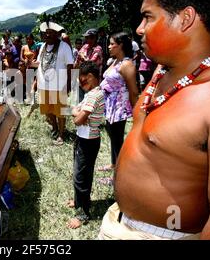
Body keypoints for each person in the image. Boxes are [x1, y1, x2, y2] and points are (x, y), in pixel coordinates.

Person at [99, 0, 210, 240]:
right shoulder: (163, 71)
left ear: (186, 18)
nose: (139, 29)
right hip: (118, 221)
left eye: (148, 17)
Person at [67, 61, 105, 229]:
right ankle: (77, 202)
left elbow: (77, 119)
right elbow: (76, 110)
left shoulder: (93, 96)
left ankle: (83, 214)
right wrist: (79, 113)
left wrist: (78, 114)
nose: (80, 84)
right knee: (79, 172)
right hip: (84, 138)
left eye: (81, 79)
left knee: (81, 177)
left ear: (90, 77)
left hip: (88, 141)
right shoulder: (93, 93)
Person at [98, 32, 138, 173]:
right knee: (112, 136)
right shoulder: (114, 61)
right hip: (110, 105)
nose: (108, 47)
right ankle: (114, 164)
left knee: (117, 139)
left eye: (112, 44)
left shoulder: (127, 64)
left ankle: (120, 172)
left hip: (119, 106)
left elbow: (133, 91)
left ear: (120, 45)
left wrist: (136, 112)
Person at [33, 21, 74, 145]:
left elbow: (70, 66)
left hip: (59, 85)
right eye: (46, 33)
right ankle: (55, 128)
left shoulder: (64, 47)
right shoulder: (43, 46)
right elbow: (39, 64)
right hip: (43, 85)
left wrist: (68, 85)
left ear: (57, 34)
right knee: (48, 110)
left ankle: (62, 134)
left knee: (61, 111)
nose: (48, 35)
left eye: (51, 33)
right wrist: (29, 63)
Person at [74, 29, 103, 103]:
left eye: (89, 37)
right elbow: (77, 61)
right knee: (80, 102)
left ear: (95, 38)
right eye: (86, 38)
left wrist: (83, 58)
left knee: (89, 102)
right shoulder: (85, 47)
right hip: (81, 78)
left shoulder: (98, 49)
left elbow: (91, 65)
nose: (87, 39)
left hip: (91, 81)